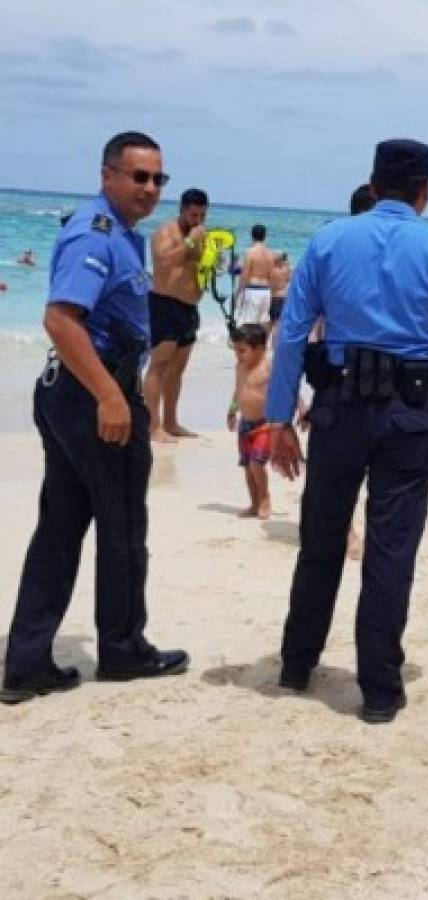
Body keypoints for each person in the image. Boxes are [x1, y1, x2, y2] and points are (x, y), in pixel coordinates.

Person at [266, 139, 428, 723]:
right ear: (425, 191)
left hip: (337, 408)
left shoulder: (326, 241)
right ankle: (378, 691)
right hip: (408, 414)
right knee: (392, 550)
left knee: (320, 539)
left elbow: (292, 335)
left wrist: (278, 418)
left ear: (372, 186)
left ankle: (297, 665)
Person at [0, 131, 189, 705]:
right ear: (108, 175)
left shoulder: (124, 236)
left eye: (159, 178)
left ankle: (27, 661)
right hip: (93, 394)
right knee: (124, 526)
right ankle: (123, 648)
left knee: (60, 529)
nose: (151, 188)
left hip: (76, 390)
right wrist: (111, 397)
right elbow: (60, 319)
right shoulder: (96, 233)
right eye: (139, 176)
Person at [147, 186, 208, 442]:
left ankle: (171, 422)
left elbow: (199, 266)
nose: (198, 221)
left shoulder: (201, 234)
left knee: (177, 371)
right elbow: (163, 261)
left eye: (202, 216)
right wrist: (192, 240)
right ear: (182, 210)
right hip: (165, 304)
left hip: (189, 309)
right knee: (158, 367)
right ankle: (153, 426)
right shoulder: (165, 231)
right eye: (194, 215)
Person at [227, 324, 285, 520]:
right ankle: (253, 503)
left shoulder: (269, 366)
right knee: (246, 466)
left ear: (260, 348)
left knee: (256, 464)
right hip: (245, 424)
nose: (238, 355)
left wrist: (297, 410)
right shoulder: (239, 367)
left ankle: (265, 498)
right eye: (235, 350)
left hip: (264, 424)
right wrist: (232, 410)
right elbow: (238, 390)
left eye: (242, 351)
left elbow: (285, 388)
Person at [235, 223, 275, 327]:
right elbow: (272, 276)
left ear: (251, 235)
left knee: (247, 324)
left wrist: (238, 292)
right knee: (262, 324)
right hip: (266, 291)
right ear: (265, 236)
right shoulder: (271, 254)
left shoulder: (250, 252)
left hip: (252, 290)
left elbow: (245, 275)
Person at [268, 252, 292, 333]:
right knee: (281, 323)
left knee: (272, 323)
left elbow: (270, 284)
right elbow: (289, 279)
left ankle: (268, 342)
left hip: (275, 297)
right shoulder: (287, 270)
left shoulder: (272, 271)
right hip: (285, 297)